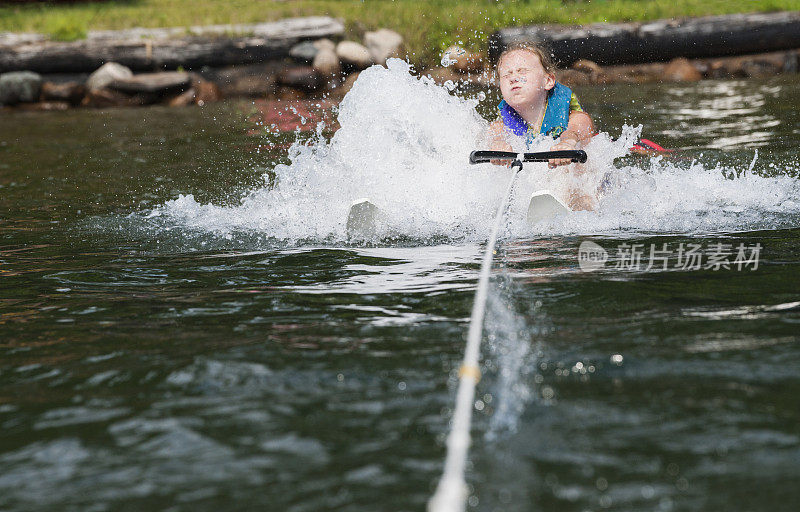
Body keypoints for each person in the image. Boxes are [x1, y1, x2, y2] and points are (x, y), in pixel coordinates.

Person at [487, 43, 596, 209]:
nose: (514, 78)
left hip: (588, 186)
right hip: (542, 192)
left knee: (573, 174)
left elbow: (580, 125)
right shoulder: (500, 126)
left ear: (548, 81)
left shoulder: (573, 118)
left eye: (522, 71)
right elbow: (493, 135)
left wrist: (567, 142)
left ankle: (582, 210)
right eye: (506, 75)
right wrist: (496, 146)